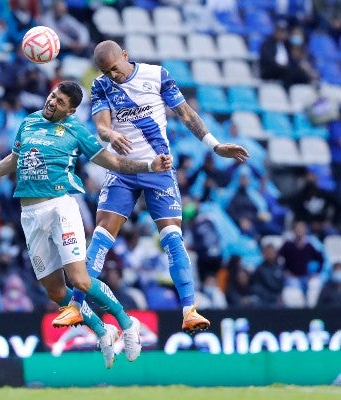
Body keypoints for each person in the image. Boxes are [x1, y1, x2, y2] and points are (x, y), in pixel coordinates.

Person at [0, 81, 172, 368]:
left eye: (60, 102)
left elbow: (113, 162)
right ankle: (102, 330)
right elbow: (14, 159)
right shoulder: (29, 122)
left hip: (61, 206)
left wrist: (148, 166)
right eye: (52, 96)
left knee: (79, 279)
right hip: (30, 214)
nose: (52, 102)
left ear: (71, 110)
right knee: (56, 293)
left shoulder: (76, 130)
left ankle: (126, 322)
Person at [58, 40, 250, 335]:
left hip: (158, 167)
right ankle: (75, 305)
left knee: (173, 236)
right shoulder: (101, 85)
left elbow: (186, 114)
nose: (114, 76)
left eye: (115, 69)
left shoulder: (157, 75)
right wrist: (110, 135)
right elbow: (101, 125)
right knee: (101, 235)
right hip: (123, 170)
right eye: (107, 72)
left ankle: (189, 310)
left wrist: (215, 145)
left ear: (125, 55)